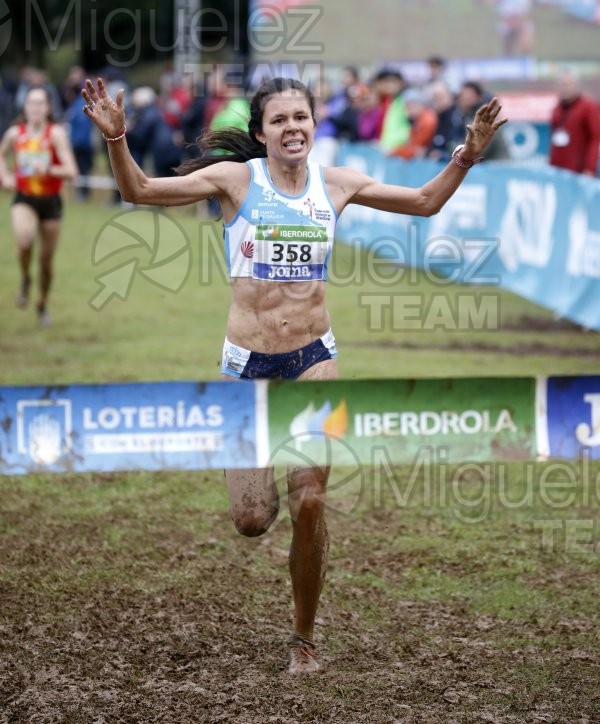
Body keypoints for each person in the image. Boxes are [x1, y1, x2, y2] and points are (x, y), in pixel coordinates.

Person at [81, 74, 506, 674]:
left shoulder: (336, 185)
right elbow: (142, 191)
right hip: (247, 366)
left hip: (313, 359)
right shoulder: (236, 181)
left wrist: (468, 154)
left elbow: (424, 202)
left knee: (311, 500)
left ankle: (303, 638)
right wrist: (117, 137)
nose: (292, 128)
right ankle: (266, 486)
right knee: (253, 520)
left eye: (301, 118)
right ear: (260, 132)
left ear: (314, 125)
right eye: (279, 120)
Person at [0, 86, 78, 326]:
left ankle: (42, 303)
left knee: (46, 261)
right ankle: (25, 279)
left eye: (39, 103)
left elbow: (71, 172)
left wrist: (48, 169)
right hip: (25, 198)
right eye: (30, 103)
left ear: (47, 108)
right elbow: (1, 154)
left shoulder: (55, 135)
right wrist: (5, 177)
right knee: (24, 241)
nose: (34, 107)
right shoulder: (15, 134)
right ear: (25, 107)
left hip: (51, 201)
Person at [549, 71, 600, 176]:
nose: (565, 88)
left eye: (568, 84)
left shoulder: (588, 107)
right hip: (558, 170)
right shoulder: (557, 109)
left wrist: (590, 168)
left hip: (579, 172)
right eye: (562, 84)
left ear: (576, 85)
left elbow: (594, 139)